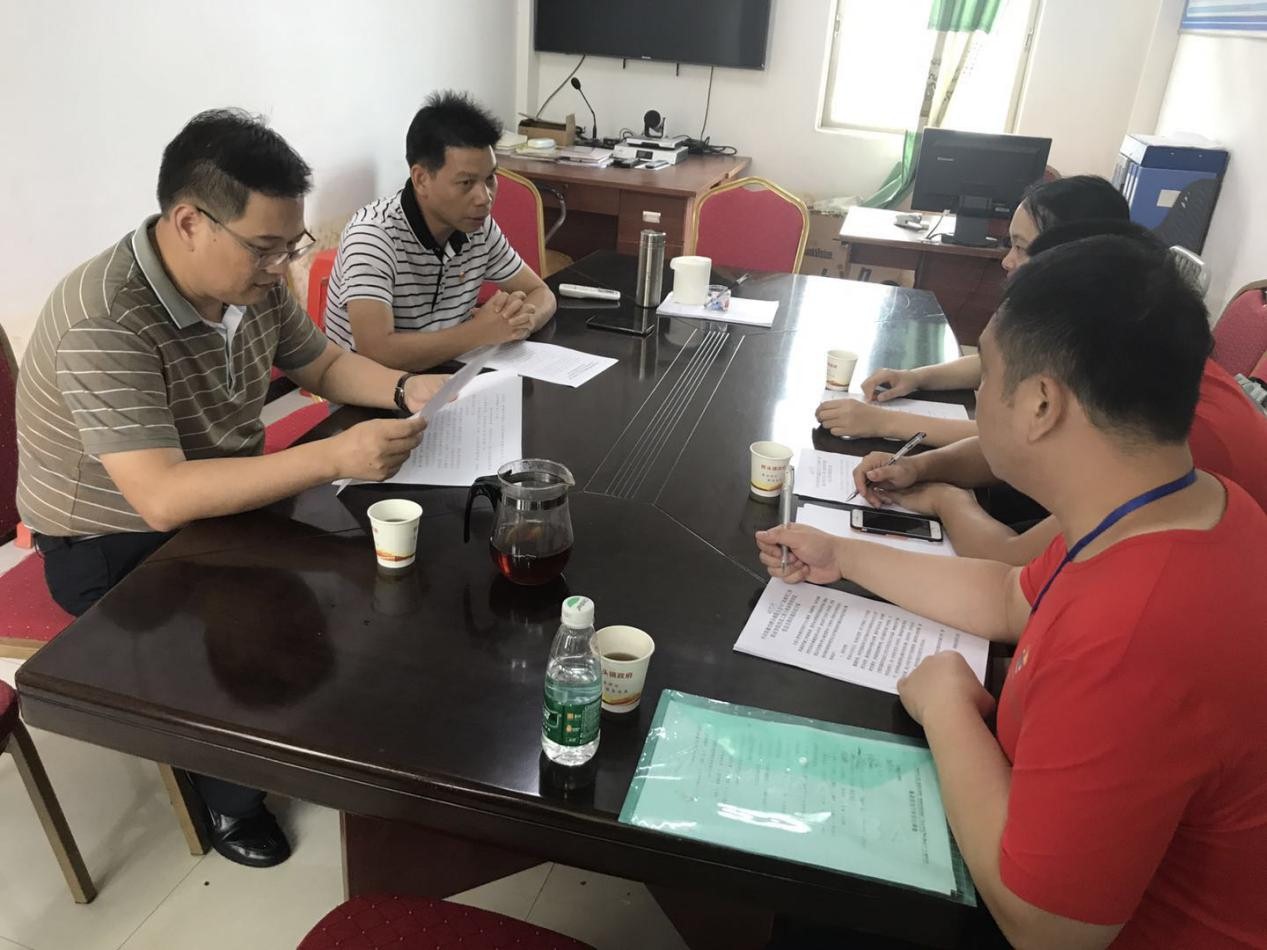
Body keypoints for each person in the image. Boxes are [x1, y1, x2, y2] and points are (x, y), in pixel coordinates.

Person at [757, 235, 1267, 948]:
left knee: (814, 878)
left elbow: (1045, 928)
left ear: (1039, 404)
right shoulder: (1181, 503)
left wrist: (945, 707)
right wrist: (842, 555)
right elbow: (1008, 595)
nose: (977, 398)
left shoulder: (1138, 634)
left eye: (987, 378)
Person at [15, 109, 449, 869]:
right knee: (247, 611)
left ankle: (321, 724)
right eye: (265, 247)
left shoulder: (251, 278)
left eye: (291, 245)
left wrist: (407, 388)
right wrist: (332, 455)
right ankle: (230, 794)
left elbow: (322, 365)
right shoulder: (105, 318)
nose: (280, 266)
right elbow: (162, 498)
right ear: (189, 222)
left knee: (365, 562)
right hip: (109, 538)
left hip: (223, 493)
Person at [853, 220, 1267, 564]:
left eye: (1021, 250)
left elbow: (1010, 565)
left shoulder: (1158, 457)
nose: (1008, 263)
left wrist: (943, 498)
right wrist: (923, 467)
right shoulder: (1145, 366)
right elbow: (1015, 443)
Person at [817, 175, 1130, 447]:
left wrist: (884, 422)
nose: (1007, 261)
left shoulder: (1094, 344)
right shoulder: (1057, 313)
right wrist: (916, 377)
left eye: (1021, 247)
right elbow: (998, 361)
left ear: (1069, 255)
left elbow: (1006, 437)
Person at [324, 91, 557, 370]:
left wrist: (521, 321)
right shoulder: (373, 235)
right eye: (466, 182)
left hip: (447, 375)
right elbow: (376, 351)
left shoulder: (478, 227)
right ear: (421, 179)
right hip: (374, 389)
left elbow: (541, 293)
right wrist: (479, 332)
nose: (484, 197)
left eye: (490, 178)